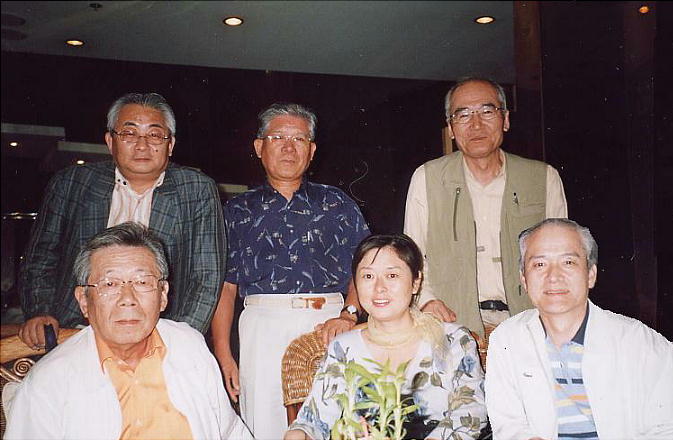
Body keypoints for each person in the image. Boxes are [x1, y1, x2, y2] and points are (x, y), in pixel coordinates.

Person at [4, 222, 252, 440]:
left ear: (163, 295)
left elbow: (230, 432)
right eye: (110, 284)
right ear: (84, 300)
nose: (127, 299)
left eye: (142, 282)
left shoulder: (189, 345)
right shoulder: (50, 381)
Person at [210, 103, 370, 439]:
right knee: (264, 423)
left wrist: (350, 314)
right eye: (277, 137)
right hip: (261, 329)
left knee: (335, 422)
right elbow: (225, 286)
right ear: (259, 147)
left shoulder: (337, 204)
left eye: (298, 139)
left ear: (311, 151)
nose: (288, 146)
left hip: (328, 324)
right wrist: (223, 354)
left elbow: (365, 266)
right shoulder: (236, 211)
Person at [17, 92, 226, 350]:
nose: (142, 145)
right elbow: (41, 256)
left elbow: (206, 277)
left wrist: (177, 340)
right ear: (110, 141)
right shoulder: (72, 183)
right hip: (73, 330)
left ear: (170, 144)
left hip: (159, 334)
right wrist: (40, 311)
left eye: (154, 135)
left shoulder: (196, 190)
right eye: (129, 133)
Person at [485, 218, 673, 440]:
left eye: (568, 262)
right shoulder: (507, 339)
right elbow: (509, 427)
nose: (553, 276)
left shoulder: (640, 342)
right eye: (540, 264)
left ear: (590, 275)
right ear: (524, 279)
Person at [404, 76, 568, 349]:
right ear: (451, 128)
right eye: (463, 115)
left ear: (505, 119)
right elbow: (412, 254)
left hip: (528, 323)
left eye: (487, 111)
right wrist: (427, 301)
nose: (476, 124)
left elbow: (561, 258)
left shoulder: (542, 179)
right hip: (452, 323)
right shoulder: (427, 178)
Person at [285, 233, 487, 440]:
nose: (379, 288)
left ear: (416, 282)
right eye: (368, 276)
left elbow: (470, 413)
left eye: (392, 276)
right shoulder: (344, 349)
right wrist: (299, 434)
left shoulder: (453, 341)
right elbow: (313, 421)